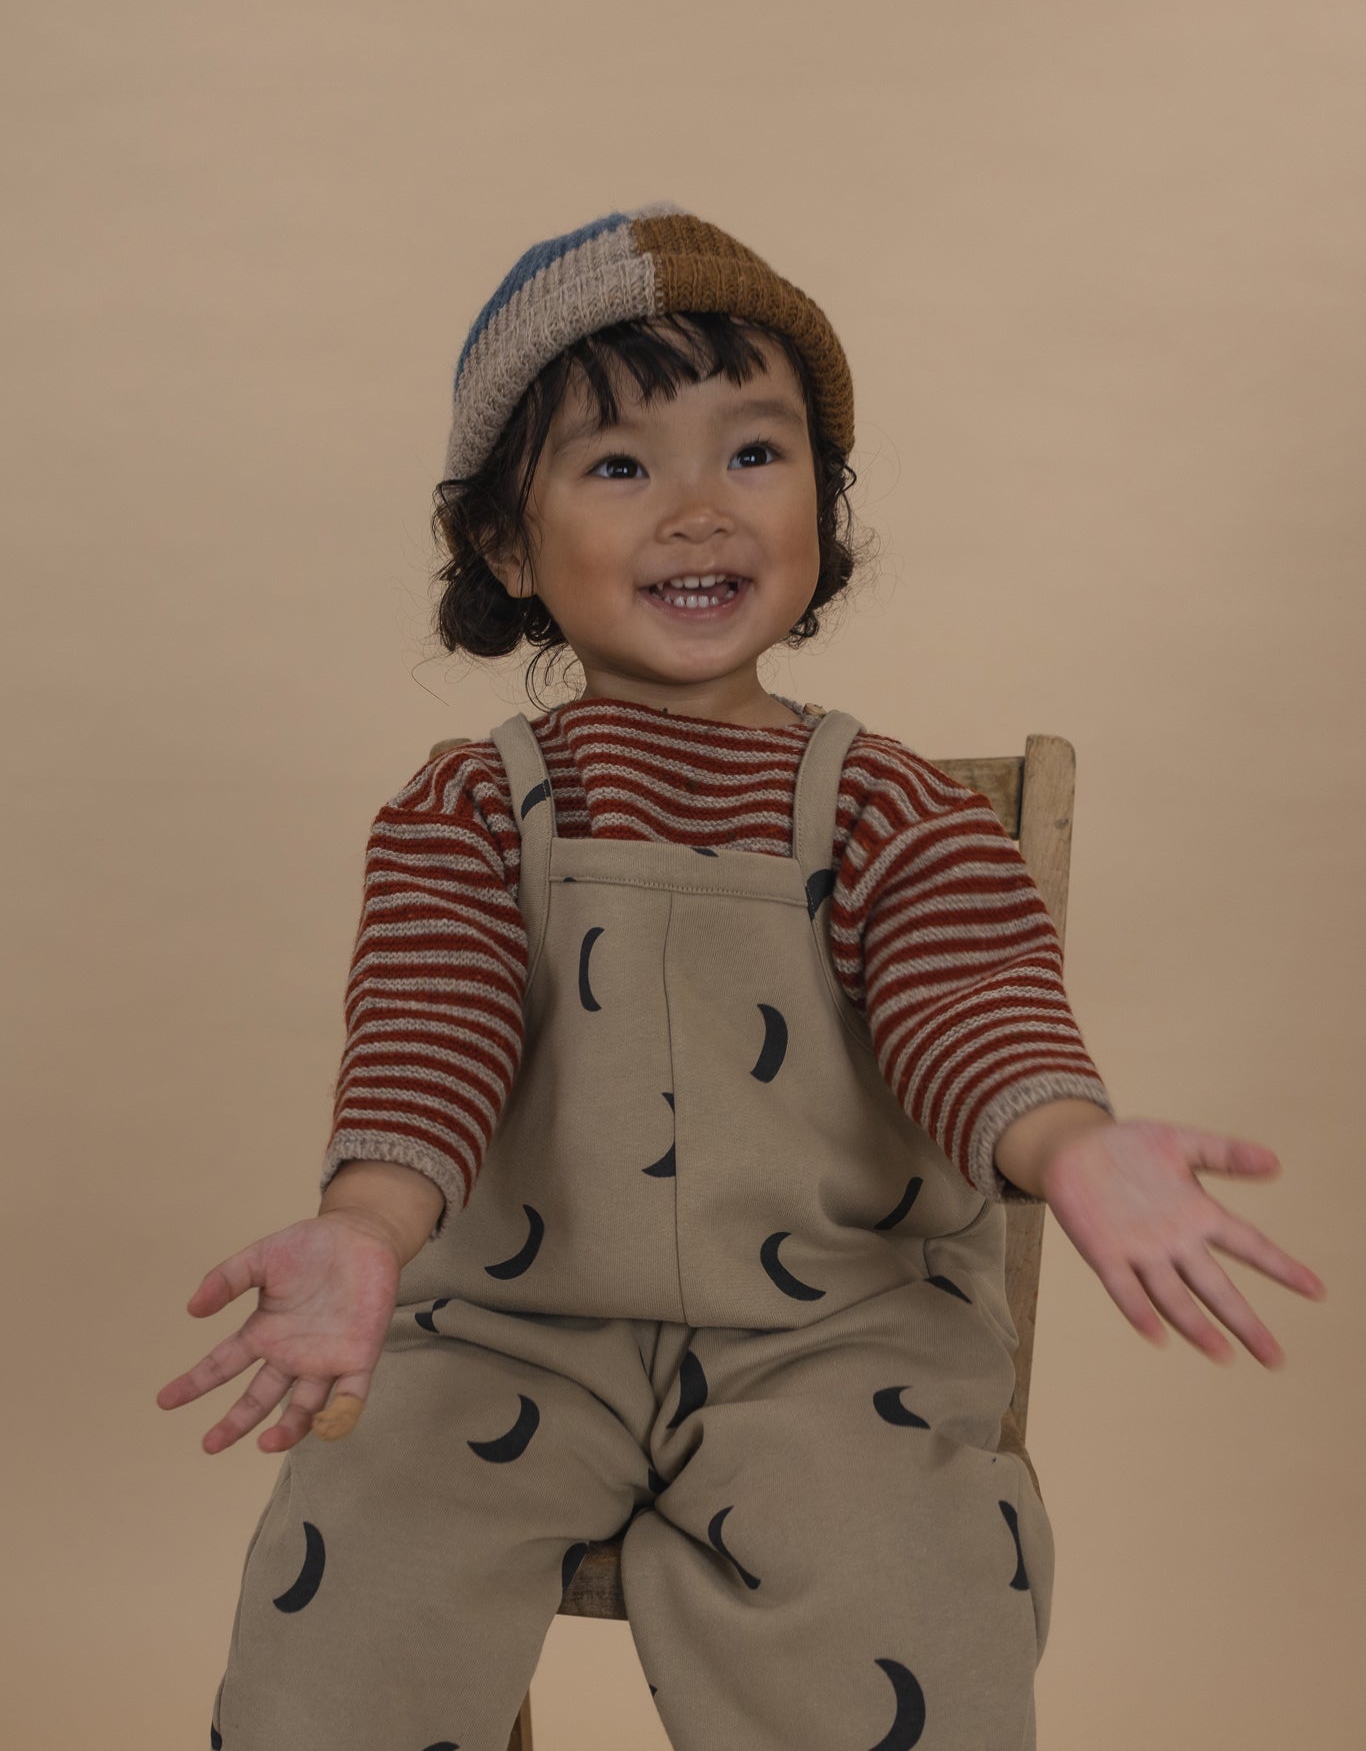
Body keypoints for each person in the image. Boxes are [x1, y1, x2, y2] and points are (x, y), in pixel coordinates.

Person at [157, 203, 1326, 1751]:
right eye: (622, 464)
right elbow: (425, 1042)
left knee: (909, 1592)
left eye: (754, 455)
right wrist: (364, 1231)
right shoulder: (465, 809)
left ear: (823, 512)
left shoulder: (889, 805)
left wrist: (1070, 1143)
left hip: (834, 1341)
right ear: (509, 540)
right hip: (513, 1330)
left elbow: (966, 1001)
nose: (697, 507)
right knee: (355, 1563)